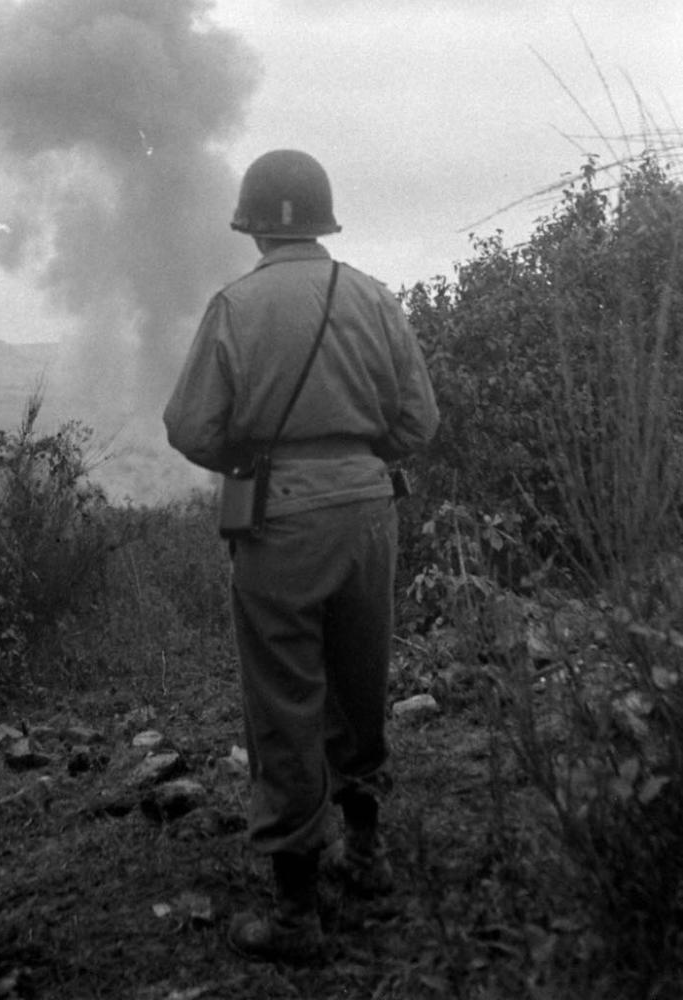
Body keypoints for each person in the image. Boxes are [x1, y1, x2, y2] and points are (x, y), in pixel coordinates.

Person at [164, 149, 439, 963]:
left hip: (278, 517)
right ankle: (367, 854)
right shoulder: (374, 298)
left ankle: (294, 913)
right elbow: (417, 422)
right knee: (362, 679)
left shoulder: (233, 306)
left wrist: (264, 462)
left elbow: (191, 427)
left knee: (284, 697)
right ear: (322, 221)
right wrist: (354, 457)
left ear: (250, 225)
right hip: (366, 511)